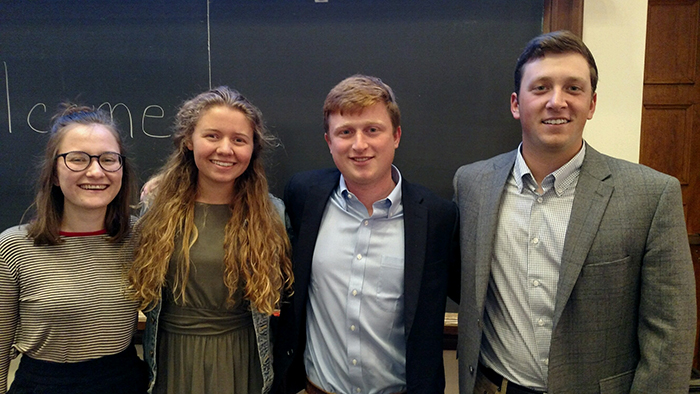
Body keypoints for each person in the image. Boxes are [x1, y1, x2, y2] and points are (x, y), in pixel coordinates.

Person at [453, 30, 696, 394]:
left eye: (573, 88)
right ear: (516, 104)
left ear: (592, 104)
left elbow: (671, 334)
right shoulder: (471, 184)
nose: (557, 101)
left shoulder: (651, 194)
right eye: (541, 88)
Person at [273, 74, 460, 394]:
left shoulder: (437, 217)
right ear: (329, 142)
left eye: (373, 130)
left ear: (396, 135)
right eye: (345, 132)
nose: (360, 145)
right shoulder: (303, 196)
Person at [128, 86, 293, 394]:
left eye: (239, 139)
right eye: (212, 136)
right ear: (189, 140)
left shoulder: (273, 214)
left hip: (244, 358)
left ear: (253, 148)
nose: (225, 149)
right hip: (172, 359)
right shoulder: (155, 209)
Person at [0, 104, 146, 393]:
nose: (95, 171)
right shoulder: (14, 247)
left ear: (121, 170)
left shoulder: (140, 236)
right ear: (53, 173)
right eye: (77, 159)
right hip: (44, 385)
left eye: (108, 159)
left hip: (125, 381)